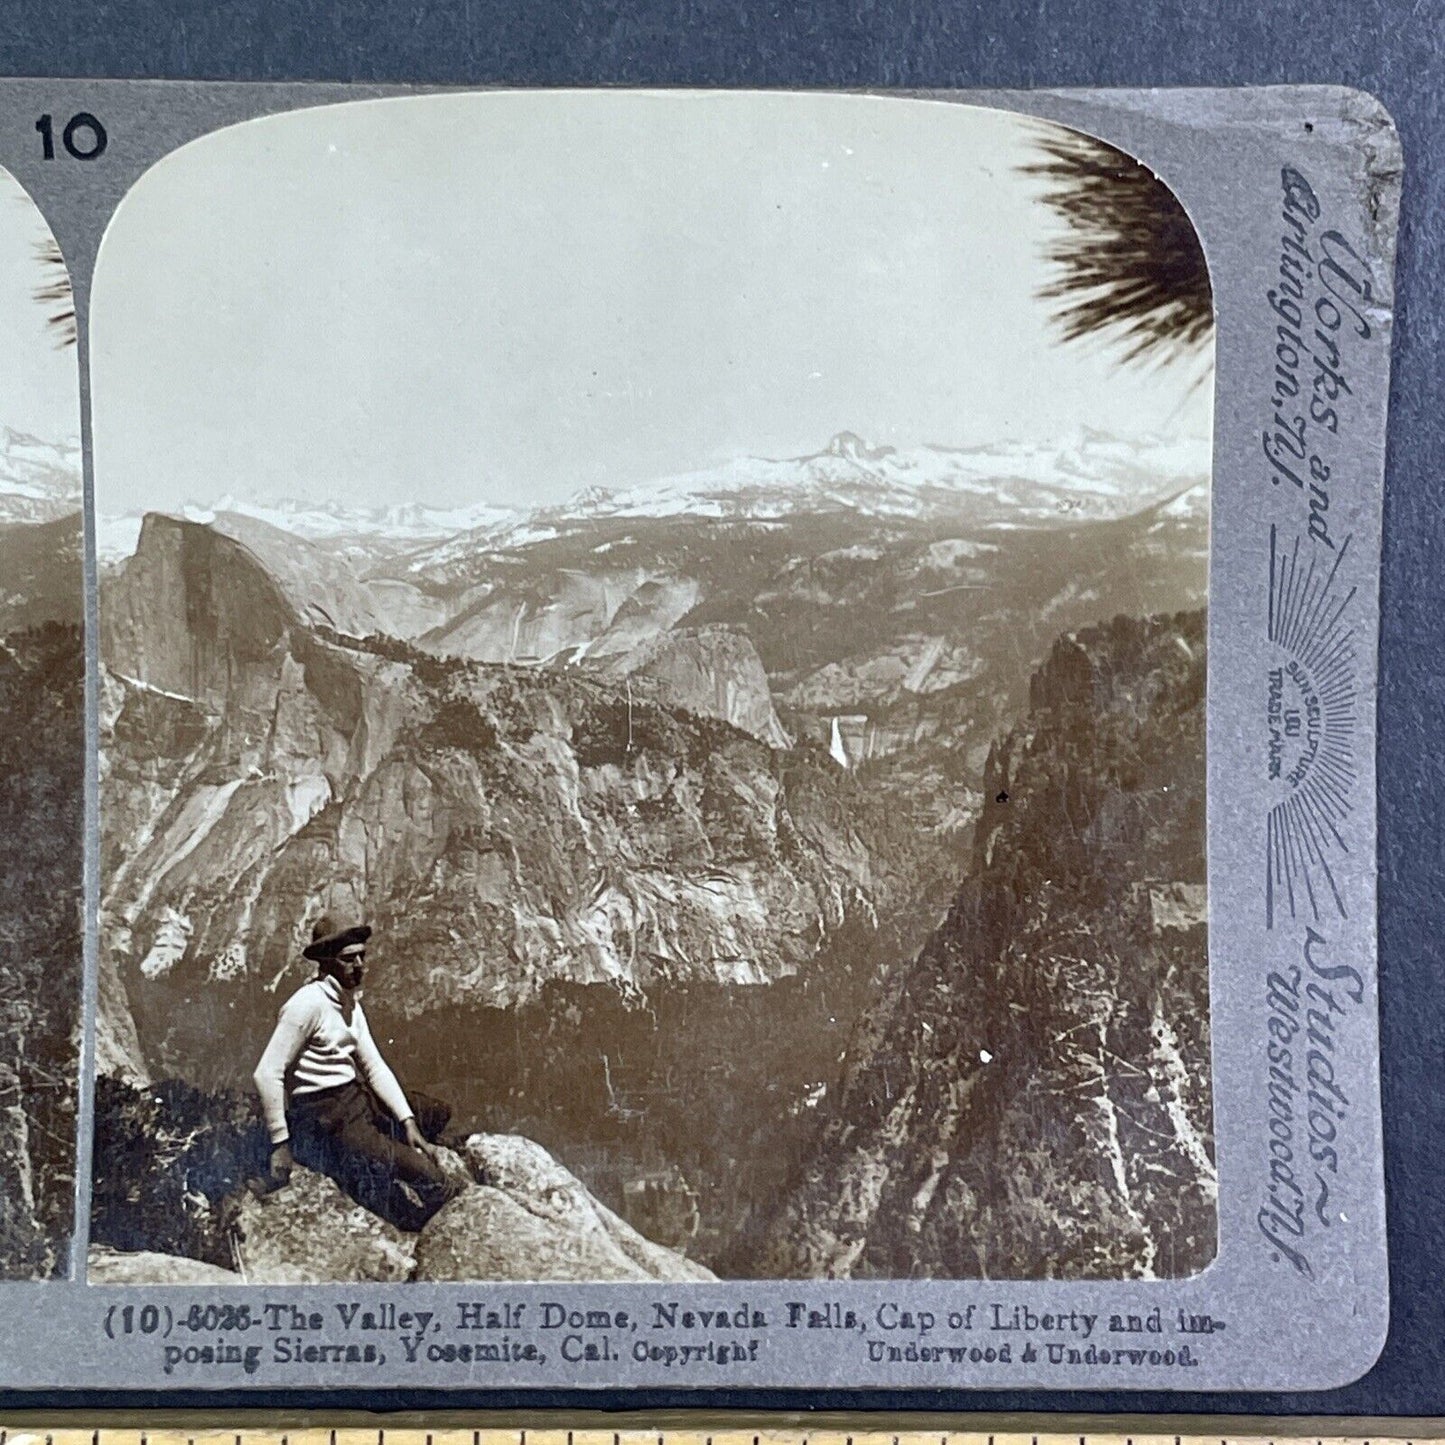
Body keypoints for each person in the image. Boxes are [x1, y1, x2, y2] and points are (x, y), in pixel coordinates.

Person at [252, 915, 460, 1230]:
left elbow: (373, 1066)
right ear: (326, 962)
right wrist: (280, 1142)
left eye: (362, 956)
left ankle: (388, 1141)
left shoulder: (348, 1002)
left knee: (435, 1112)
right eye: (349, 959)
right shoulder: (306, 1006)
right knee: (423, 1173)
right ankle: (440, 1217)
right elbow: (267, 1072)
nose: (359, 965)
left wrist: (408, 1122)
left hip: (354, 1097)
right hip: (326, 1114)